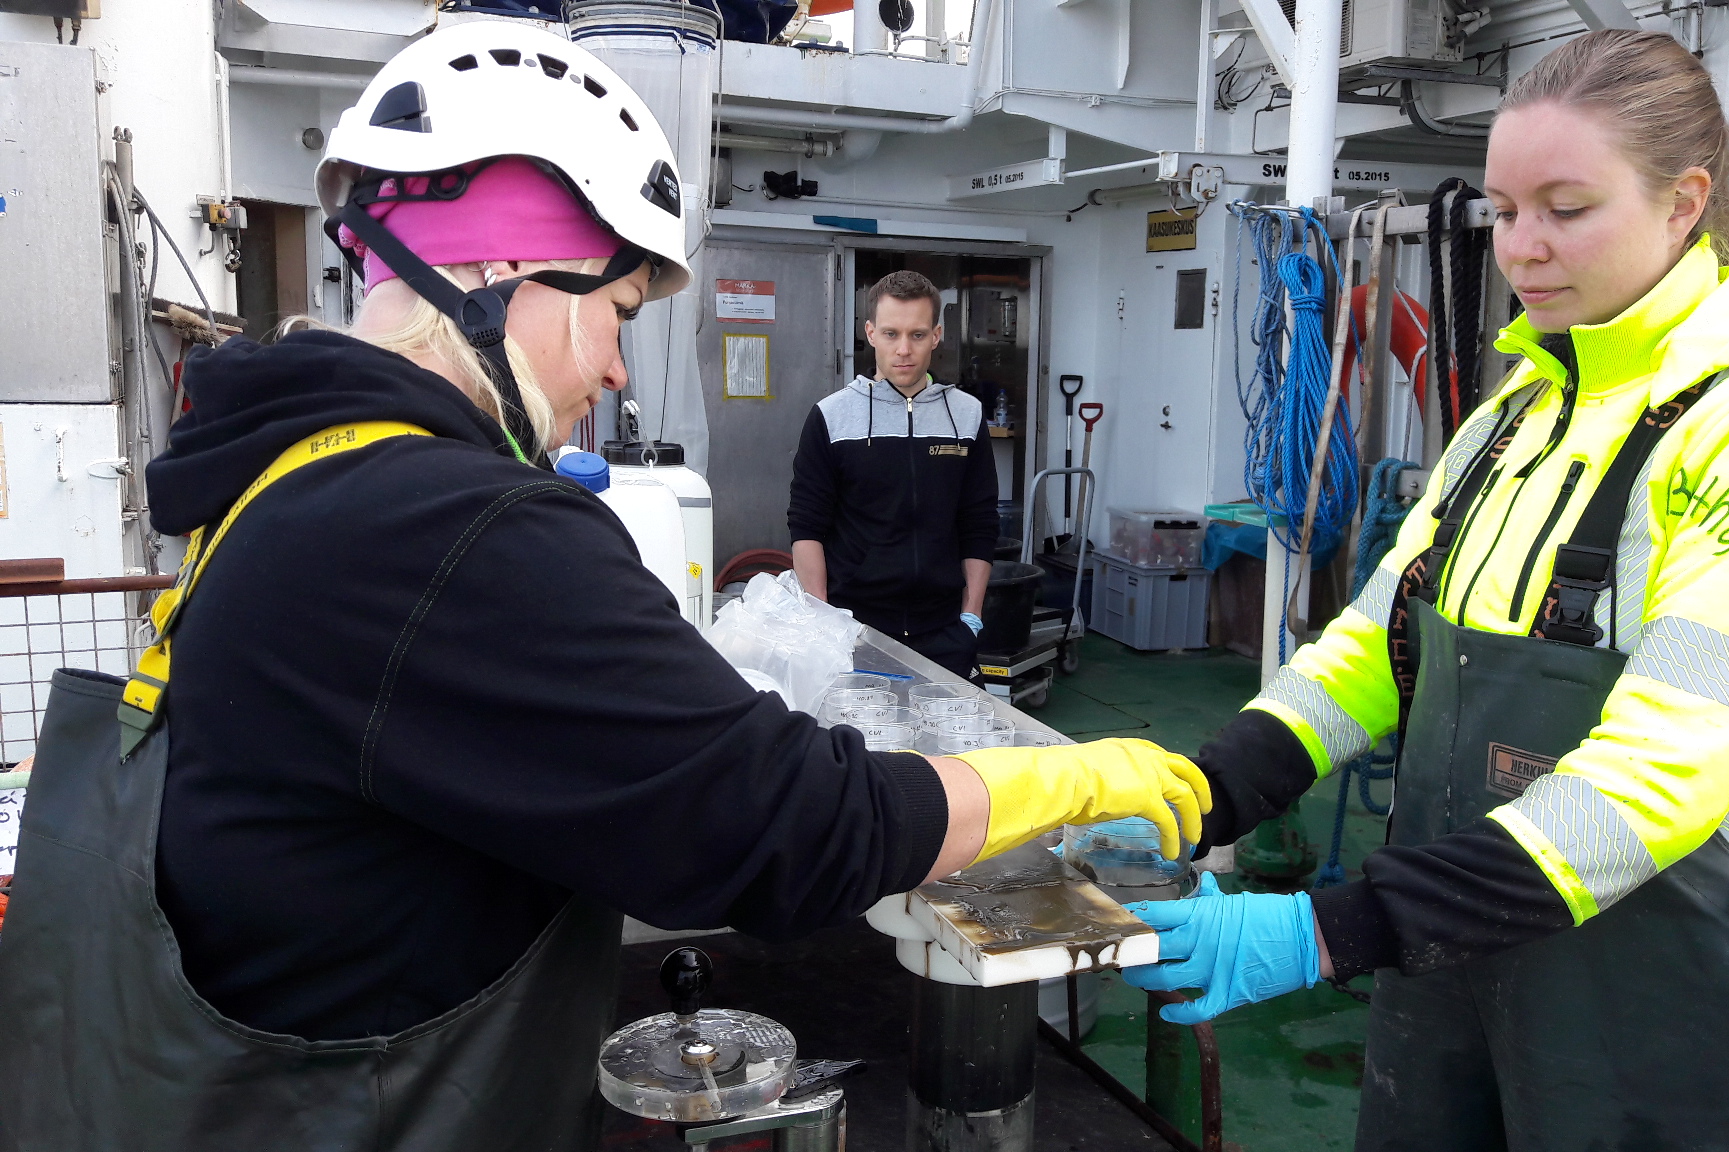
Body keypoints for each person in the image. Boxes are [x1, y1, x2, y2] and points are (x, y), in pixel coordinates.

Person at [0, 22, 1206, 1152]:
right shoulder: (450, 529)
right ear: (506, 273)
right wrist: (1067, 773)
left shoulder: (284, 478)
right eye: (617, 311)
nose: (620, 366)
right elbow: (783, 831)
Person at [1123, 29, 1729, 1151]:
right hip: (1451, 955)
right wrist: (1202, 790)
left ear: (1683, 202)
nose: (1521, 249)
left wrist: (1326, 933)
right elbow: (1377, 646)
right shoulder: (1515, 414)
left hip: (1653, 999)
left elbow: (1649, 784)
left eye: (1564, 209)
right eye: (1504, 210)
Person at [788, 271, 998, 679]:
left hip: (944, 632)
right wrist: (825, 622)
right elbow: (806, 526)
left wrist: (970, 616)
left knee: (946, 744)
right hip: (855, 629)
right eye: (890, 334)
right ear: (870, 333)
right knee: (859, 744)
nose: (904, 350)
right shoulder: (831, 416)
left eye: (917, 335)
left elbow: (979, 521)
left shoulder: (967, 415)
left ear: (937, 335)